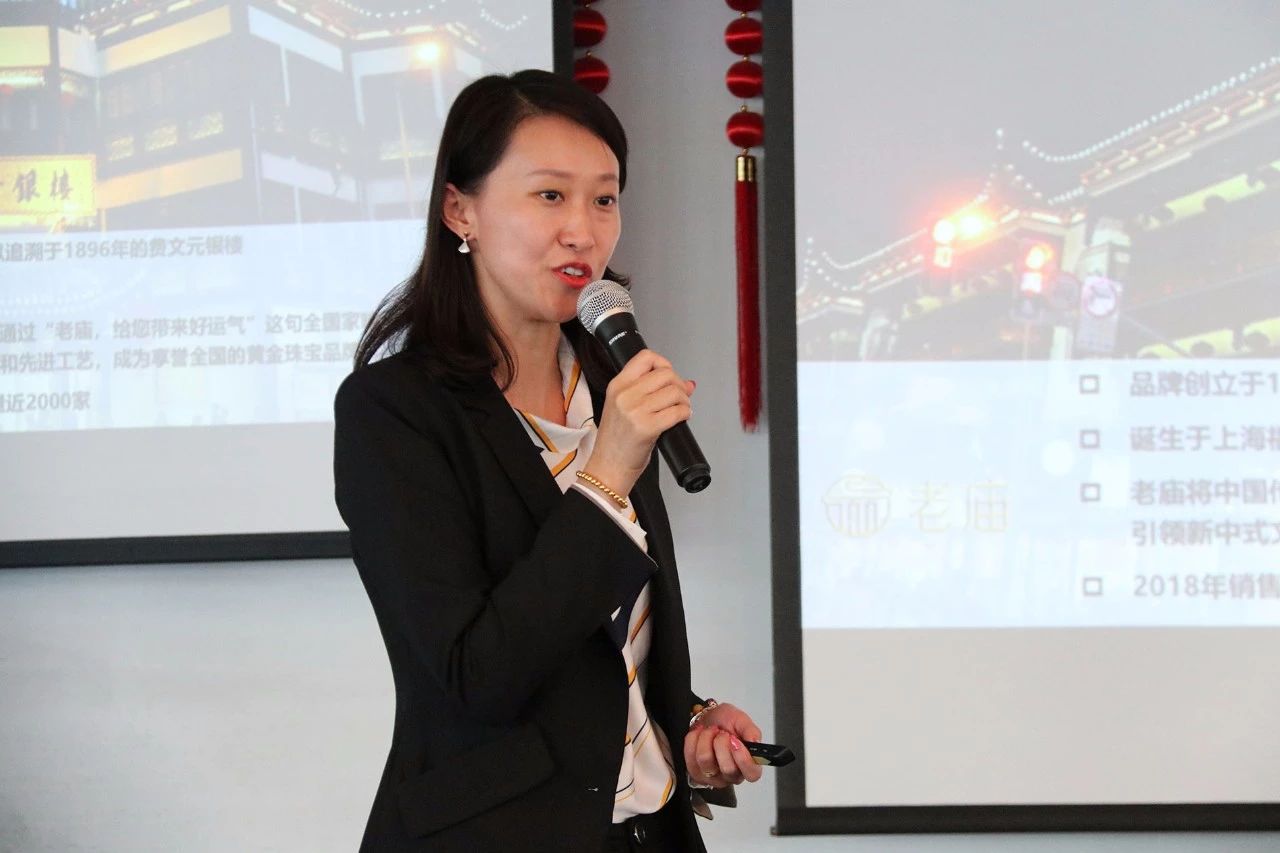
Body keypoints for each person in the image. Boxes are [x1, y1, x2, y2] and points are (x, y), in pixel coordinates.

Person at [333, 69, 764, 852]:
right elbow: (474, 676)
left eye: (604, 199)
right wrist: (606, 475)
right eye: (550, 195)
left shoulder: (607, 383)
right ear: (460, 209)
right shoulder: (393, 412)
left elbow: (595, 639)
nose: (583, 231)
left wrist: (682, 720)